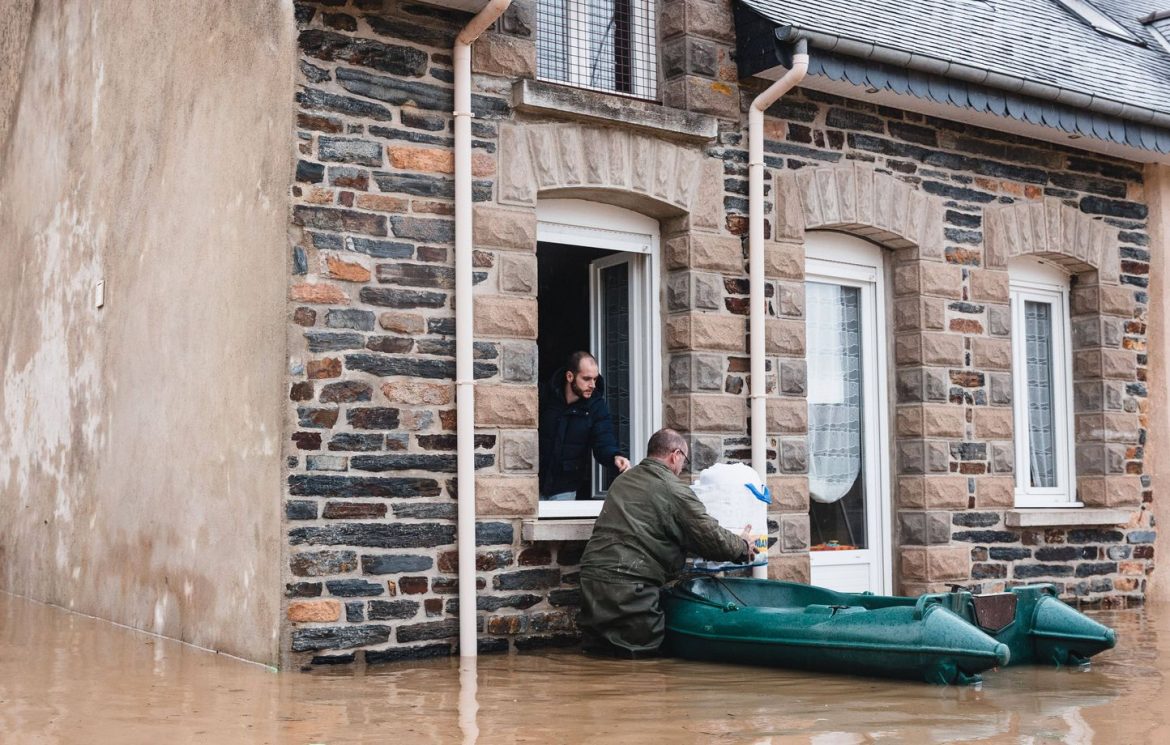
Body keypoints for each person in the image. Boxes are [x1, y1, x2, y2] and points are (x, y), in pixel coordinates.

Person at [577, 428, 758, 658]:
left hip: (591, 582)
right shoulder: (673, 488)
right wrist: (742, 546)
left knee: (597, 658)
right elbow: (708, 535)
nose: (682, 468)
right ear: (676, 455)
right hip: (630, 588)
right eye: (685, 460)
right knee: (640, 662)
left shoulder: (623, 480)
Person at [539, 351, 631, 501]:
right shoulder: (546, 396)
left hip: (565, 488)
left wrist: (614, 456)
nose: (592, 385)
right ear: (570, 376)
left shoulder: (596, 406)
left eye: (595, 379)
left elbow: (603, 438)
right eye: (587, 379)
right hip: (533, 482)